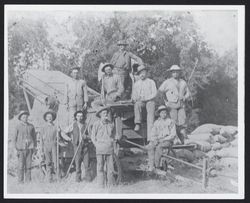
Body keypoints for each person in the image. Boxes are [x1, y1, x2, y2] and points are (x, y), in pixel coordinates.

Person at [158, 65, 191, 144]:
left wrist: (185, 97)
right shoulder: (167, 82)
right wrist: (166, 102)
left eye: (177, 72)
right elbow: (160, 91)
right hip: (171, 105)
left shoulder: (183, 82)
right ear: (171, 73)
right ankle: (174, 139)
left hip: (181, 104)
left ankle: (183, 138)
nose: (175, 74)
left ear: (179, 73)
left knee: (182, 122)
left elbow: (188, 93)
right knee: (173, 122)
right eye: (173, 72)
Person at [61, 110, 91, 182]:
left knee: (87, 164)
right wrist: (69, 138)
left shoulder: (86, 125)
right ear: (76, 117)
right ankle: (78, 180)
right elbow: (63, 132)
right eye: (78, 116)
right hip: (77, 146)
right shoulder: (73, 125)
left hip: (85, 147)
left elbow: (91, 136)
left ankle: (88, 180)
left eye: (81, 116)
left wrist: (86, 137)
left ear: (83, 117)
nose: (80, 117)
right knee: (77, 164)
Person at [91, 106, 116, 188]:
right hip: (100, 149)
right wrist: (96, 145)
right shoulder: (96, 124)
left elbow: (114, 135)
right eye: (104, 113)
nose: (106, 115)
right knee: (100, 167)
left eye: (106, 113)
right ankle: (101, 185)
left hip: (109, 148)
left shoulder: (111, 124)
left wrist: (112, 141)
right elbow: (93, 137)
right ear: (100, 115)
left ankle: (110, 185)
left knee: (110, 168)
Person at [147, 105, 177, 171]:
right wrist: (154, 140)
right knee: (150, 147)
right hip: (158, 140)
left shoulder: (170, 122)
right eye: (162, 113)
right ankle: (151, 165)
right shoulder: (156, 122)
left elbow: (173, 135)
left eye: (165, 112)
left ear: (167, 113)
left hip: (168, 141)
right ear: (159, 114)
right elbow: (153, 133)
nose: (163, 114)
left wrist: (163, 139)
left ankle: (157, 166)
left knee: (159, 147)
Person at [131, 65, 157, 141]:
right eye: (140, 73)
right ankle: (137, 123)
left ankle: (150, 137)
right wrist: (135, 98)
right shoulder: (136, 84)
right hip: (141, 101)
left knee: (151, 107)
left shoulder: (151, 82)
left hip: (149, 100)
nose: (142, 75)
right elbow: (134, 95)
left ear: (146, 73)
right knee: (137, 105)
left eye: (143, 73)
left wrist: (147, 98)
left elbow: (154, 93)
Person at [14, 110, 37, 183]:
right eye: (23, 117)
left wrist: (35, 147)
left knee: (29, 165)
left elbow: (34, 138)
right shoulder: (17, 126)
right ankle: (20, 181)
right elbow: (14, 138)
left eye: (26, 116)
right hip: (21, 149)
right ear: (20, 118)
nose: (25, 118)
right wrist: (15, 149)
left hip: (29, 148)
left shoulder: (31, 126)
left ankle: (28, 181)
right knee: (21, 166)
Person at [40, 110, 58, 182]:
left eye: (51, 117)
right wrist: (41, 149)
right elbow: (41, 139)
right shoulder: (43, 127)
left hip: (53, 144)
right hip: (46, 145)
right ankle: (49, 178)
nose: (49, 118)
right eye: (48, 117)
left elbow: (60, 135)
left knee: (55, 161)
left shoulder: (55, 126)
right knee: (48, 162)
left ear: (53, 118)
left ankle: (56, 176)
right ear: (46, 118)